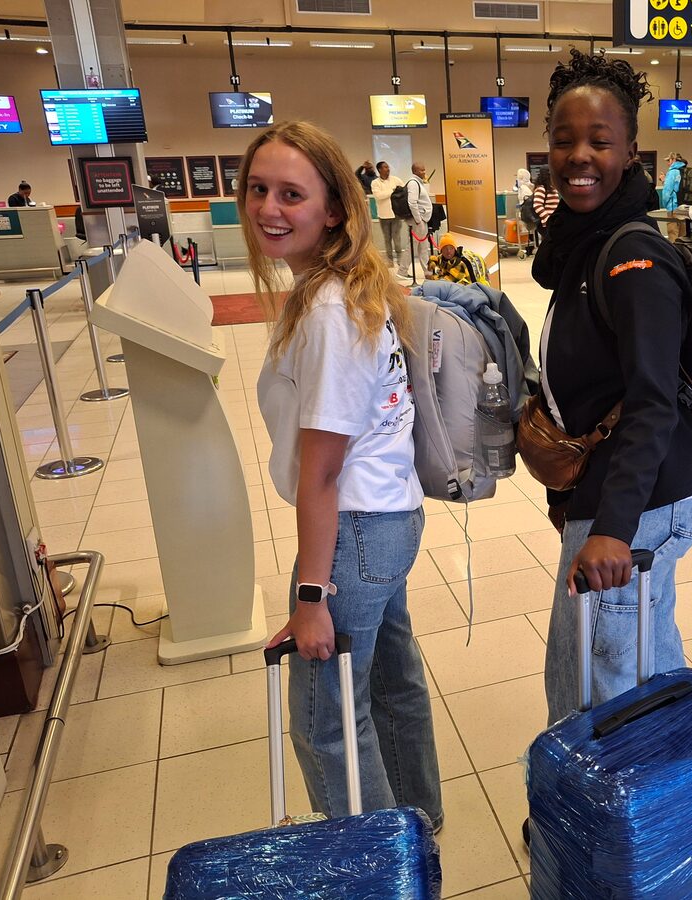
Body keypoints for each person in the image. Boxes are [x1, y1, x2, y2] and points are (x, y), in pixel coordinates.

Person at [239, 120, 442, 829]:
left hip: (351, 532)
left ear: (333, 209)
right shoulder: (349, 288)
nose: (268, 207)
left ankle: (376, 868)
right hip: (390, 519)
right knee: (391, 679)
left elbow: (321, 475)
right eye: (258, 189)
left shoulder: (327, 309)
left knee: (325, 717)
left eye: (291, 193)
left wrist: (309, 598)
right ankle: (418, 824)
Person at [532, 49, 692, 725]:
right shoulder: (587, 244)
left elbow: (651, 401)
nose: (580, 156)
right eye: (564, 140)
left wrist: (610, 528)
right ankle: (665, 811)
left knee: (595, 683)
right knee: (644, 662)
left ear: (631, 151)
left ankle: (595, 821)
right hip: (620, 491)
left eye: (600, 142)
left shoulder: (632, 259)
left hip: (638, 504)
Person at [369, 161, 406, 272]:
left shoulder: (396, 180)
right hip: (383, 215)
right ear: (379, 169)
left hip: (396, 214)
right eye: (385, 167)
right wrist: (392, 191)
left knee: (397, 238)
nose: (388, 169)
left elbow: (403, 192)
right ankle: (390, 260)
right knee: (387, 238)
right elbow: (378, 196)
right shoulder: (375, 183)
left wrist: (395, 192)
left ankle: (399, 259)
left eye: (388, 167)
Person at [404, 162, 434, 278]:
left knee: (423, 247)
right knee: (412, 246)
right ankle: (402, 270)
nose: (424, 172)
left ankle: (427, 271)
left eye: (424, 169)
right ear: (415, 171)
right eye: (421, 170)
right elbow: (412, 202)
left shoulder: (418, 183)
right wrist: (418, 220)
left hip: (421, 220)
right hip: (418, 221)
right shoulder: (413, 183)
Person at [661, 152, 686, 242]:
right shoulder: (684, 170)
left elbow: (667, 192)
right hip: (684, 207)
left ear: (673, 160)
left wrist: (666, 204)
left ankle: (674, 254)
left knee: (673, 233)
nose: (668, 163)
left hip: (673, 207)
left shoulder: (672, 172)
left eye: (669, 160)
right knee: (683, 234)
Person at [530, 167, 559, 248]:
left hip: (552, 223)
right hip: (546, 224)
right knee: (549, 246)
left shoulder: (551, 188)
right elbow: (537, 205)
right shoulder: (541, 189)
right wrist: (548, 219)